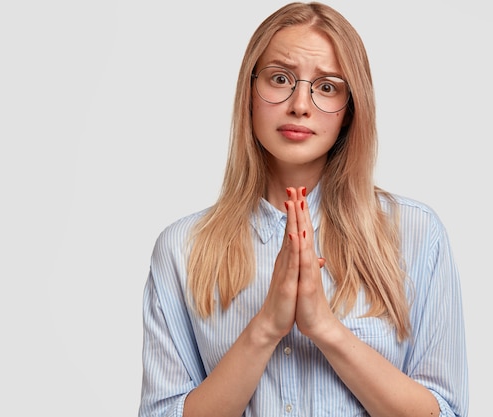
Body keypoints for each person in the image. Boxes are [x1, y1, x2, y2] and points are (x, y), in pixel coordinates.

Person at [138, 2, 468, 416]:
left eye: (327, 86)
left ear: (350, 109)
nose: (300, 104)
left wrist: (325, 329)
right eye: (280, 79)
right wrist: (265, 329)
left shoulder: (416, 233)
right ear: (249, 92)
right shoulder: (182, 249)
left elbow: (448, 412)